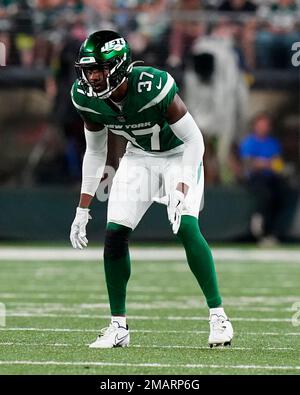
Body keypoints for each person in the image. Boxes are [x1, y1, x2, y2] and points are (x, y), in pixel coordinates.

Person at [69, 30, 233, 349]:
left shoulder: (152, 85)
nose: (93, 77)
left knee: (186, 226)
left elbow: (194, 140)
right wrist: (82, 207)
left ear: (119, 66)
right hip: (139, 158)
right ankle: (118, 326)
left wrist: (184, 182)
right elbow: (95, 151)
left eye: (99, 69)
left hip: (178, 154)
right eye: (88, 70)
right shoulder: (84, 97)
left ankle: (219, 316)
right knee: (115, 233)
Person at [239, 112, 286, 244]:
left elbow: (278, 163)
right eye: (261, 125)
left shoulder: (273, 143)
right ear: (255, 126)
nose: (263, 128)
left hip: (271, 177)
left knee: (280, 194)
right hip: (255, 178)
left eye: (266, 125)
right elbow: (249, 163)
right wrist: (265, 163)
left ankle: (273, 232)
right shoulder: (249, 142)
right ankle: (260, 225)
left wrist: (266, 163)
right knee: (265, 195)